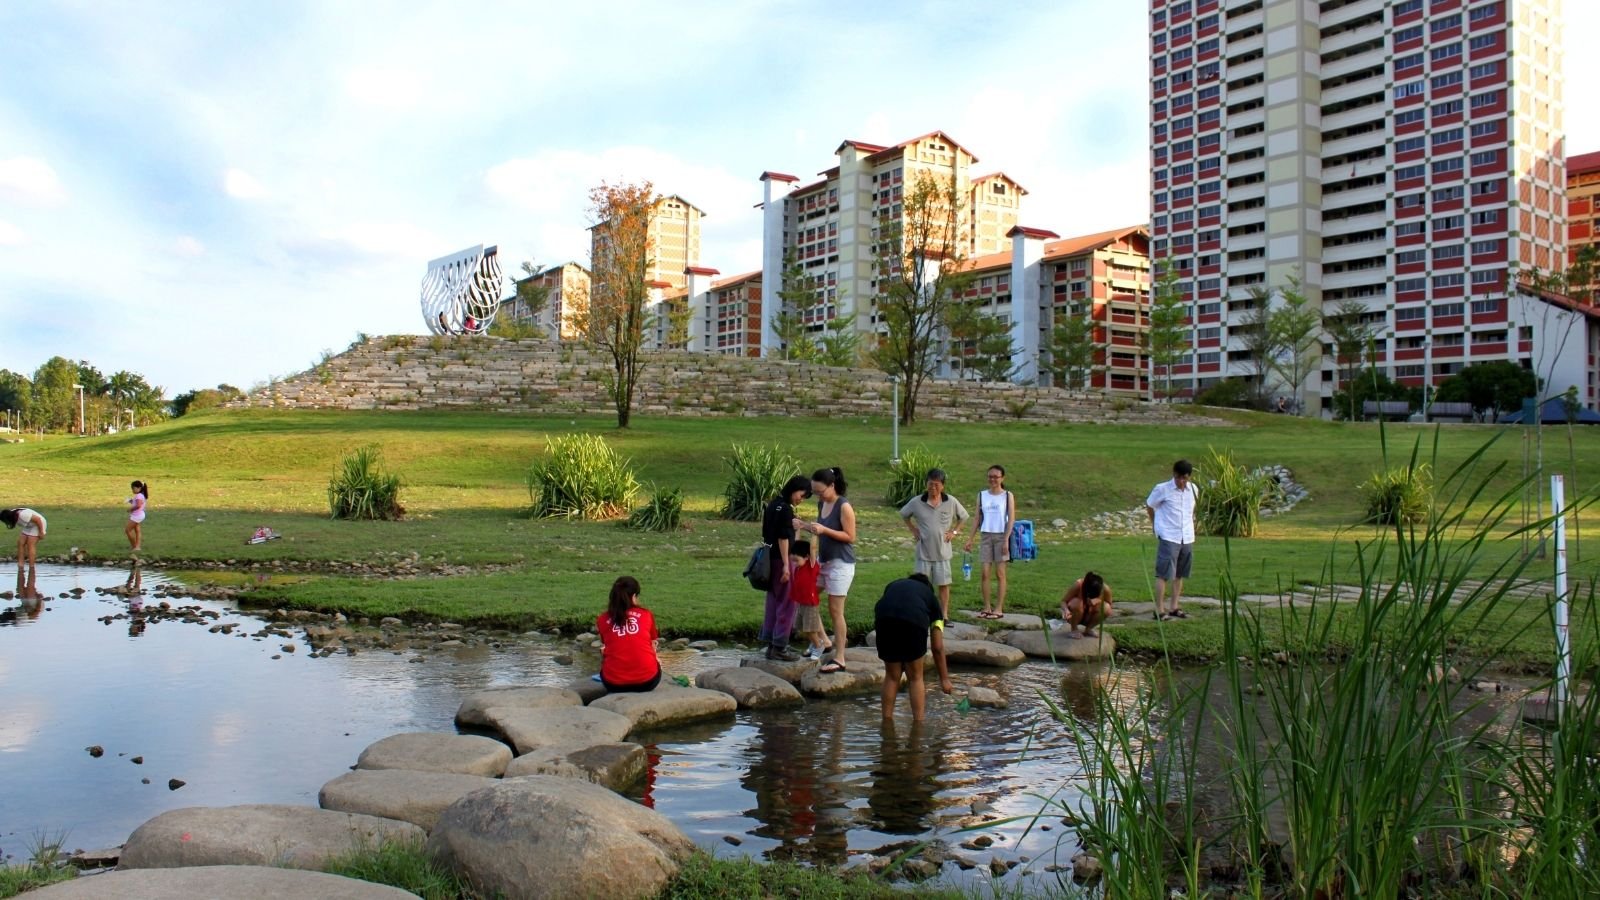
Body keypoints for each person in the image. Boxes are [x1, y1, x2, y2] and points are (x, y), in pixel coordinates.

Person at [795, 467, 855, 673]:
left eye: (821, 491)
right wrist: (803, 525)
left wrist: (825, 530)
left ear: (832, 486)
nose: (818, 496)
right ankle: (823, 642)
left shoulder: (843, 506)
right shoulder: (823, 503)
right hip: (824, 560)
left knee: (835, 610)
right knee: (806, 596)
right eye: (815, 492)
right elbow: (818, 530)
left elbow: (850, 536)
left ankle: (840, 657)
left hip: (841, 563)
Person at [874, 573, 953, 721]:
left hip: (884, 620)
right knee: (915, 677)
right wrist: (944, 679)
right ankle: (918, 726)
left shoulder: (894, 584)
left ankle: (886, 724)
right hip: (913, 622)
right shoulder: (932, 599)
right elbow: (937, 647)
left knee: (892, 676)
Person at [899, 468, 969, 620]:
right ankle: (922, 615)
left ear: (943, 486)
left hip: (943, 553)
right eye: (930, 484)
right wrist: (913, 529)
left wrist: (954, 532)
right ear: (926, 484)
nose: (933, 488)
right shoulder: (917, 502)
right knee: (920, 586)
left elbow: (963, 517)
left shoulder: (950, 501)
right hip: (923, 552)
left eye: (937, 484)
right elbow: (904, 514)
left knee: (943, 585)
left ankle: (944, 616)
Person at [760, 475, 812, 661]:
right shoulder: (786, 510)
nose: (801, 499)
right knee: (788, 603)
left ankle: (770, 644)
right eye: (802, 494)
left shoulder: (773, 504)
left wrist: (795, 528)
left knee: (773, 601)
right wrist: (786, 567)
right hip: (781, 560)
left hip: (770, 559)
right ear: (794, 489)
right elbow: (783, 538)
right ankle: (780, 646)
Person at [1146, 459, 1198, 620]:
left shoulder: (1193, 489)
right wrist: (1156, 525)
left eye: (1184, 478)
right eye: (1178, 478)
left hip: (1186, 535)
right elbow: (1150, 505)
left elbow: (1191, 509)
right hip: (1169, 535)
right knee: (1163, 573)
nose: (1181, 481)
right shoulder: (1163, 489)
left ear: (1189, 477)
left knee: (1180, 573)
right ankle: (1159, 609)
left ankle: (1174, 606)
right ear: (1174, 475)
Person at [963, 465, 1015, 619]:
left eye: (996, 477)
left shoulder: (1007, 495)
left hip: (1001, 535)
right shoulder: (982, 495)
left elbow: (1011, 518)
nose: (992, 479)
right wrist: (970, 538)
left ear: (1002, 478)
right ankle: (987, 607)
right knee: (985, 573)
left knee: (1000, 573)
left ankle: (999, 608)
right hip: (985, 535)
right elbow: (977, 518)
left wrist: (1006, 539)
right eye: (990, 476)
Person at [596, 575, 661, 692]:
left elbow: (607, 645)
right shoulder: (646, 614)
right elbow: (653, 644)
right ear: (634, 596)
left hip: (613, 684)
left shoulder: (602, 619)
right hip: (647, 682)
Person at [790, 539, 829, 658]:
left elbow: (812, 549)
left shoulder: (811, 566)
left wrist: (814, 534)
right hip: (802, 603)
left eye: (797, 560)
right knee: (801, 627)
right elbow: (796, 542)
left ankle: (819, 646)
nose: (795, 564)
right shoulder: (799, 567)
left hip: (810, 604)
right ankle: (814, 643)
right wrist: (797, 529)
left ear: (807, 557)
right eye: (793, 561)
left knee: (810, 629)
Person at [1060, 571, 1113, 638]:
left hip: (1091, 616)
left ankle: (1088, 629)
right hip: (1075, 616)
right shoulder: (1078, 585)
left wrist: (1097, 600)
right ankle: (1074, 629)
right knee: (1076, 603)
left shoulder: (1105, 589)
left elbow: (1109, 604)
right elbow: (1063, 601)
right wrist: (1066, 610)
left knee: (1107, 608)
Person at [125, 480, 149, 553]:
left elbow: (138, 505)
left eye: (133, 488)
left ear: (138, 488)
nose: (132, 490)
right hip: (140, 514)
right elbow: (137, 503)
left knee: (127, 530)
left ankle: (134, 546)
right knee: (137, 531)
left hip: (137, 515)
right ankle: (137, 547)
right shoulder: (141, 495)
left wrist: (130, 509)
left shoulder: (139, 496)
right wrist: (131, 501)